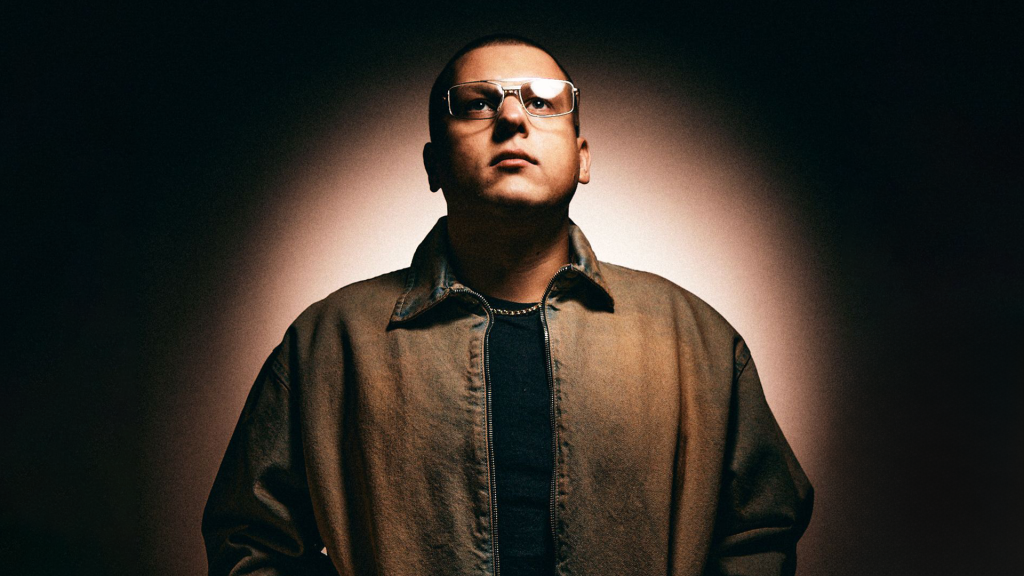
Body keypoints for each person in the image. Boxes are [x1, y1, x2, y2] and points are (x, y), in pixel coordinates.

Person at [202, 34, 813, 576]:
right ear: (433, 164)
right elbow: (250, 540)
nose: (513, 117)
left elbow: (760, 532)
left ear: (583, 157)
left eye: (542, 102)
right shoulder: (329, 342)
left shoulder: (696, 340)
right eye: (477, 103)